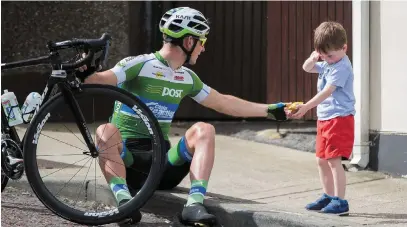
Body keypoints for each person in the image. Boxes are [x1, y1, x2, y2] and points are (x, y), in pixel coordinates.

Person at [76, 7, 290, 225]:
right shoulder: (138, 65)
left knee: (204, 130)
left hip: (163, 164)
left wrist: (271, 110)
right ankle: (125, 204)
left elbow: (225, 103)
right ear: (189, 42)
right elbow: (100, 80)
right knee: (105, 131)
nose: (203, 48)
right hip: (129, 163)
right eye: (202, 41)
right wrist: (85, 72)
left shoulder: (187, 77)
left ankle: (194, 205)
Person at [289, 21, 355, 216]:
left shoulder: (341, 66)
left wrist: (306, 107)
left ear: (344, 48)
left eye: (330, 55)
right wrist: (313, 58)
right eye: (323, 55)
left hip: (339, 118)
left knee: (334, 160)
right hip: (325, 118)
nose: (327, 59)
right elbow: (307, 68)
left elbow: (327, 92)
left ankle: (340, 201)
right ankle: (328, 195)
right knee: (321, 160)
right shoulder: (328, 62)